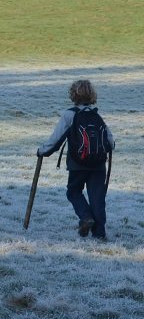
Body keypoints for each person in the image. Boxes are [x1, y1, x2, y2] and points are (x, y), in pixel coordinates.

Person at [37, 80, 115, 239]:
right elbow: (111, 144)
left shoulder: (69, 115)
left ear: (73, 95)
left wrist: (41, 151)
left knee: (73, 191)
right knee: (97, 199)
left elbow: (55, 140)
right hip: (99, 165)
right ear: (92, 95)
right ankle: (99, 235)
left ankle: (86, 217)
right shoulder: (96, 115)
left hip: (78, 164)